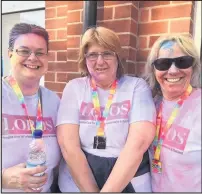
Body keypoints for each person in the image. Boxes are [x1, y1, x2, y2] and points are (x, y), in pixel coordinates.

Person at [56, 26, 156, 192]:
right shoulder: (74, 88)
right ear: (84, 59)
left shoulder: (136, 86)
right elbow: (68, 145)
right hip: (80, 179)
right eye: (93, 55)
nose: (100, 61)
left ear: (117, 57)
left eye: (107, 53)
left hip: (127, 177)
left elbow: (138, 143)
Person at [2, 23, 70, 192]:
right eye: (24, 51)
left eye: (40, 53)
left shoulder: (54, 101)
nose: (33, 58)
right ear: (9, 54)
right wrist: (3, 179)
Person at [144, 34, 201, 192]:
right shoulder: (149, 105)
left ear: (193, 66)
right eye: (163, 64)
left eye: (183, 61)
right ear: (154, 69)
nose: (173, 70)